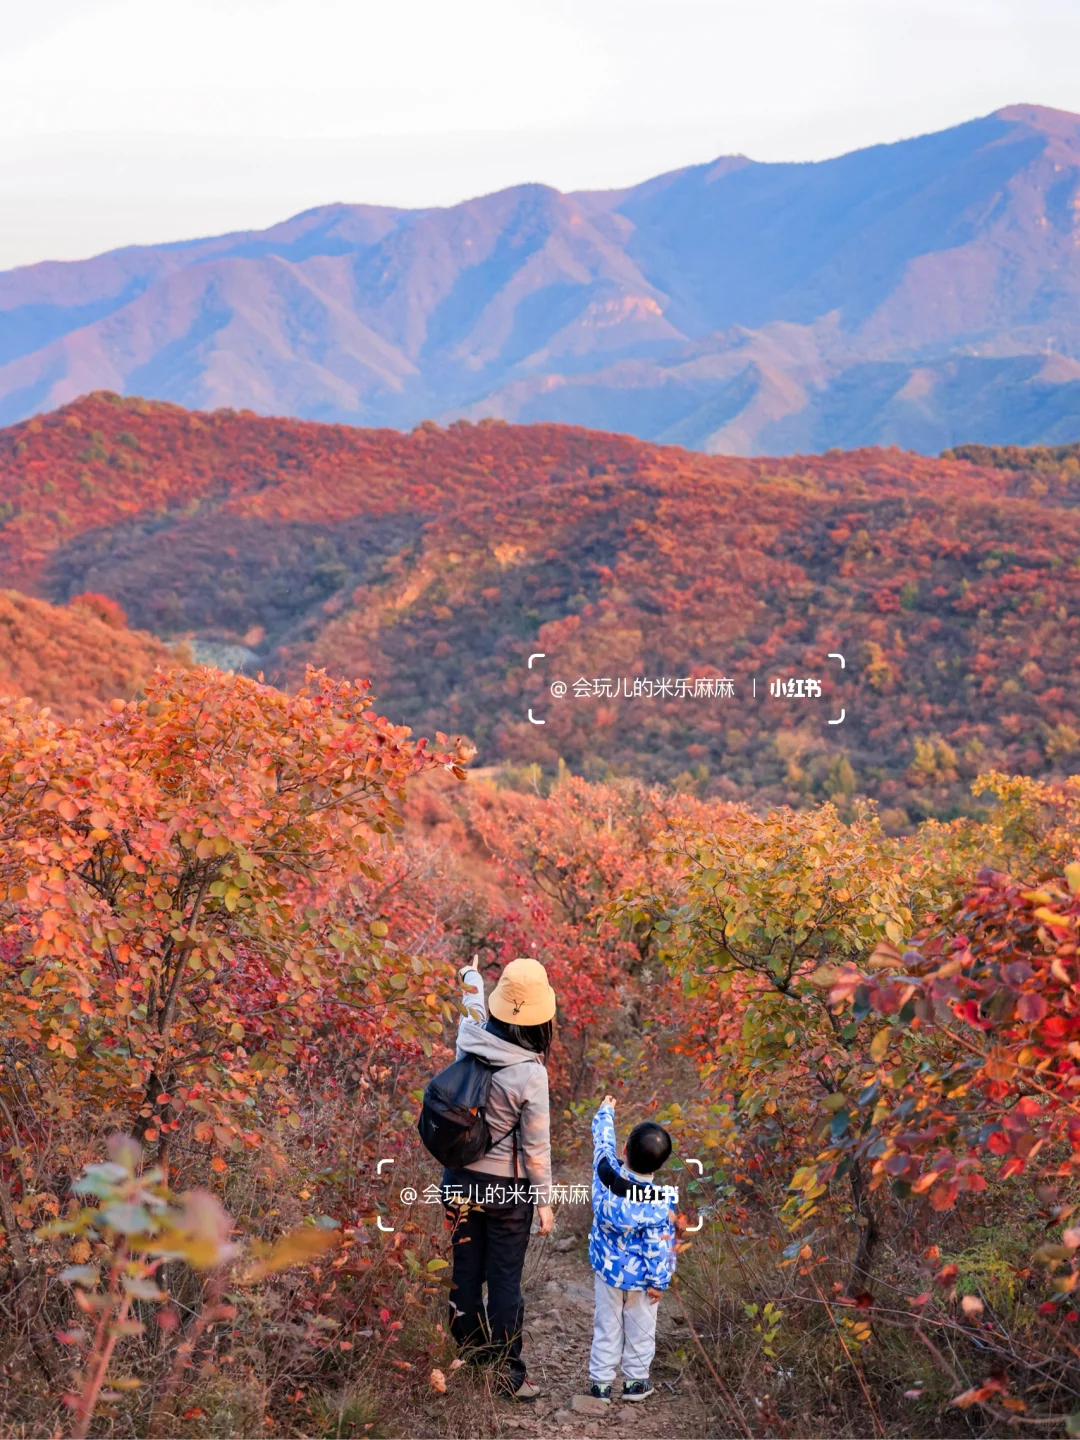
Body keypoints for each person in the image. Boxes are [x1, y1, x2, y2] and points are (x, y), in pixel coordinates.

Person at [441, 957, 556, 1402]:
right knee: (505, 1279)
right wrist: (543, 1201)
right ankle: (508, 1373)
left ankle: (472, 1358)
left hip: (458, 1181)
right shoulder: (531, 1073)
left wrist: (470, 977)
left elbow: (472, 1006)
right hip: (508, 1192)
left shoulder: (469, 1039)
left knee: (465, 1273)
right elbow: (535, 1148)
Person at [587, 1096, 676, 1404]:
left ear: (624, 1150)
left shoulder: (605, 1174)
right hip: (640, 1282)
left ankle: (600, 1385)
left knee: (606, 1325)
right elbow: (658, 1248)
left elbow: (602, 1143)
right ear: (661, 1165)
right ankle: (635, 1383)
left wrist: (606, 1112)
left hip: (607, 1274)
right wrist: (658, 1282)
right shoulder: (659, 1203)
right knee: (640, 1328)